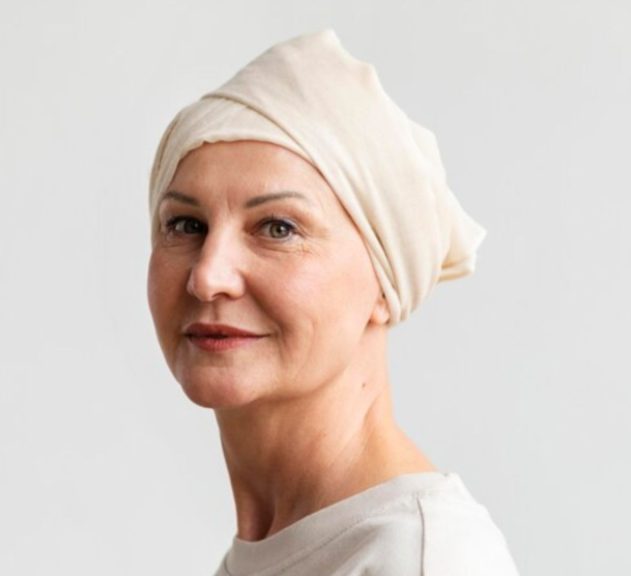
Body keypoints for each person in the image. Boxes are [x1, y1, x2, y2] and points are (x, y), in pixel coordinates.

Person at [145, 29, 519, 576]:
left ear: (383, 282)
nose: (207, 277)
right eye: (185, 224)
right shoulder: (281, 553)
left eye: (278, 227)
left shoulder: (420, 561)